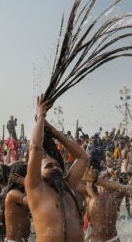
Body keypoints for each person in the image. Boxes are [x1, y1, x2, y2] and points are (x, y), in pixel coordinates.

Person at [25, 94, 89, 242]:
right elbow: (35, 147)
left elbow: (83, 158)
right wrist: (41, 116)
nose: (55, 168)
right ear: (39, 173)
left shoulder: (68, 186)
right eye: (48, 166)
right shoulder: (35, 188)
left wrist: (54, 132)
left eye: (57, 165)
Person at [77, 171, 124, 242]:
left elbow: (74, 185)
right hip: (111, 239)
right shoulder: (115, 197)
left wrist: (95, 181)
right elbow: (74, 185)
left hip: (105, 239)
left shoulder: (115, 197)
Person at [3, 162, 30, 242]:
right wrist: (26, 182)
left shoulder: (22, 193)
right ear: (19, 179)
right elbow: (32, 202)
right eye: (30, 177)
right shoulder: (13, 194)